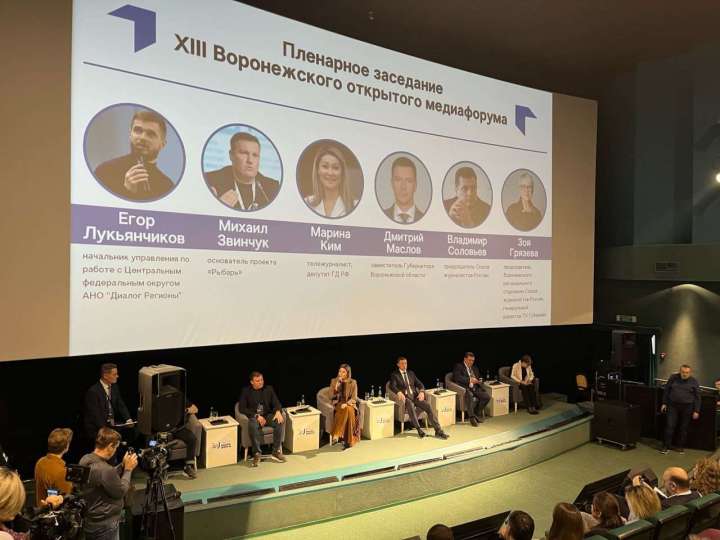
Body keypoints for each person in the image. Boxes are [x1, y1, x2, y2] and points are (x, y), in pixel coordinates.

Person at [94, 109, 174, 200]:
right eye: (138, 130)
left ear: (162, 144)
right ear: (130, 134)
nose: (142, 137)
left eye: (151, 134)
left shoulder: (167, 187)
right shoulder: (105, 171)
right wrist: (126, 190)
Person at [79, 427, 138, 540]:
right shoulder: (105, 470)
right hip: (105, 527)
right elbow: (121, 491)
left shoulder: (85, 459)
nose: (115, 451)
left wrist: (122, 465)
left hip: (90, 521)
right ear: (110, 446)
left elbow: (104, 478)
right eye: (115, 447)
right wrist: (128, 470)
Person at [205, 131, 280, 211]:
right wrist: (217, 207)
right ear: (231, 155)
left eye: (255, 155)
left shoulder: (272, 187)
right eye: (244, 153)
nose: (250, 160)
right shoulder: (210, 181)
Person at [389, 356, 449, 439]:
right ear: (398, 365)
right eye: (402, 363)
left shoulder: (411, 373)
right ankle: (419, 429)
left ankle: (438, 431)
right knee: (410, 403)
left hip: (415, 396)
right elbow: (392, 386)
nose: (404, 365)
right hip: (405, 398)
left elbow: (420, 384)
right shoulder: (394, 375)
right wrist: (398, 392)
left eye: (405, 363)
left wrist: (421, 392)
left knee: (428, 406)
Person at [238, 371, 286, 467]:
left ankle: (276, 451)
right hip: (254, 416)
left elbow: (276, 403)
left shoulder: (269, 389)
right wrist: (256, 416)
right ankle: (257, 453)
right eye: (258, 381)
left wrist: (278, 411)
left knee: (278, 422)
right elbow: (242, 408)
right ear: (252, 382)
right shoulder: (246, 391)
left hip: (267, 415)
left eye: (261, 380)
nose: (261, 382)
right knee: (252, 424)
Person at [83, 363, 135, 445]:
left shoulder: (114, 387)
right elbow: (96, 415)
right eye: (114, 374)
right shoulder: (93, 392)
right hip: (97, 428)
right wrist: (107, 432)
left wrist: (128, 419)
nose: (117, 376)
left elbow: (120, 404)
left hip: (111, 424)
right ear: (105, 376)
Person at [303, 145, 357, 218]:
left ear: (342, 172)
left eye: (335, 168)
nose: (330, 173)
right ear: (318, 170)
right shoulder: (306, 203)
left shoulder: (355, 205)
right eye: (325, 166)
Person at [660, 364, 700, 453]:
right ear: (680, 371)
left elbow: (697, 397)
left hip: (687, 407)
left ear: (690, 373)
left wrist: (696, 410)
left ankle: (680, 446)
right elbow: (667, 390)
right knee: (670, 426)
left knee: (683, 428)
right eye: (683, 372)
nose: (685, 374)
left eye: (687, 372)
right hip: (672, 406)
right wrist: (664, 403)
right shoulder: (673, 378)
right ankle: (666, 446)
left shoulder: (694, 381)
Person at [34, 428, 74, 506]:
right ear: (66, 447)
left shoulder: (40, 462)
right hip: (54, 512)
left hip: (41, 509)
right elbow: (66, 500)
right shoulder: (62, 471)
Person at [452, 352, 491, 426]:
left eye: (473, 360)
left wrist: (480, 380)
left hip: (475, 387)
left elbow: (479, 377)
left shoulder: (474, 368)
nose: (471, 362)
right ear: (465, 359)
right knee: (469, 394)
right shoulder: (459, 366)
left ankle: (476, 413)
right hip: (464, 388)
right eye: (469, 360)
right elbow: (457, 378)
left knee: (487, 397)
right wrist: (470, 380)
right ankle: (472, 418)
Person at [383, 157, 425, 224]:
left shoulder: (427, 218)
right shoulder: (380, 216)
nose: (403, 187)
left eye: (409, 181)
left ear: (415, 185)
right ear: (392, 183)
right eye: (398, 180)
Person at [330, 363, 360, 449]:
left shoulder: (353, 382)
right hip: (339, 404)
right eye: (340, 371)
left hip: (349, 404)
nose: (341, 374)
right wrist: (336, 386)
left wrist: (346, 404)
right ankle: (349, 442)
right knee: (347, 411)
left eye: (343, 372)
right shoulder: (334, 381)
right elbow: (331, 396)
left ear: (347, 373)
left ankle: (336, 435)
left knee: (347, 409)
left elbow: (354, 397)